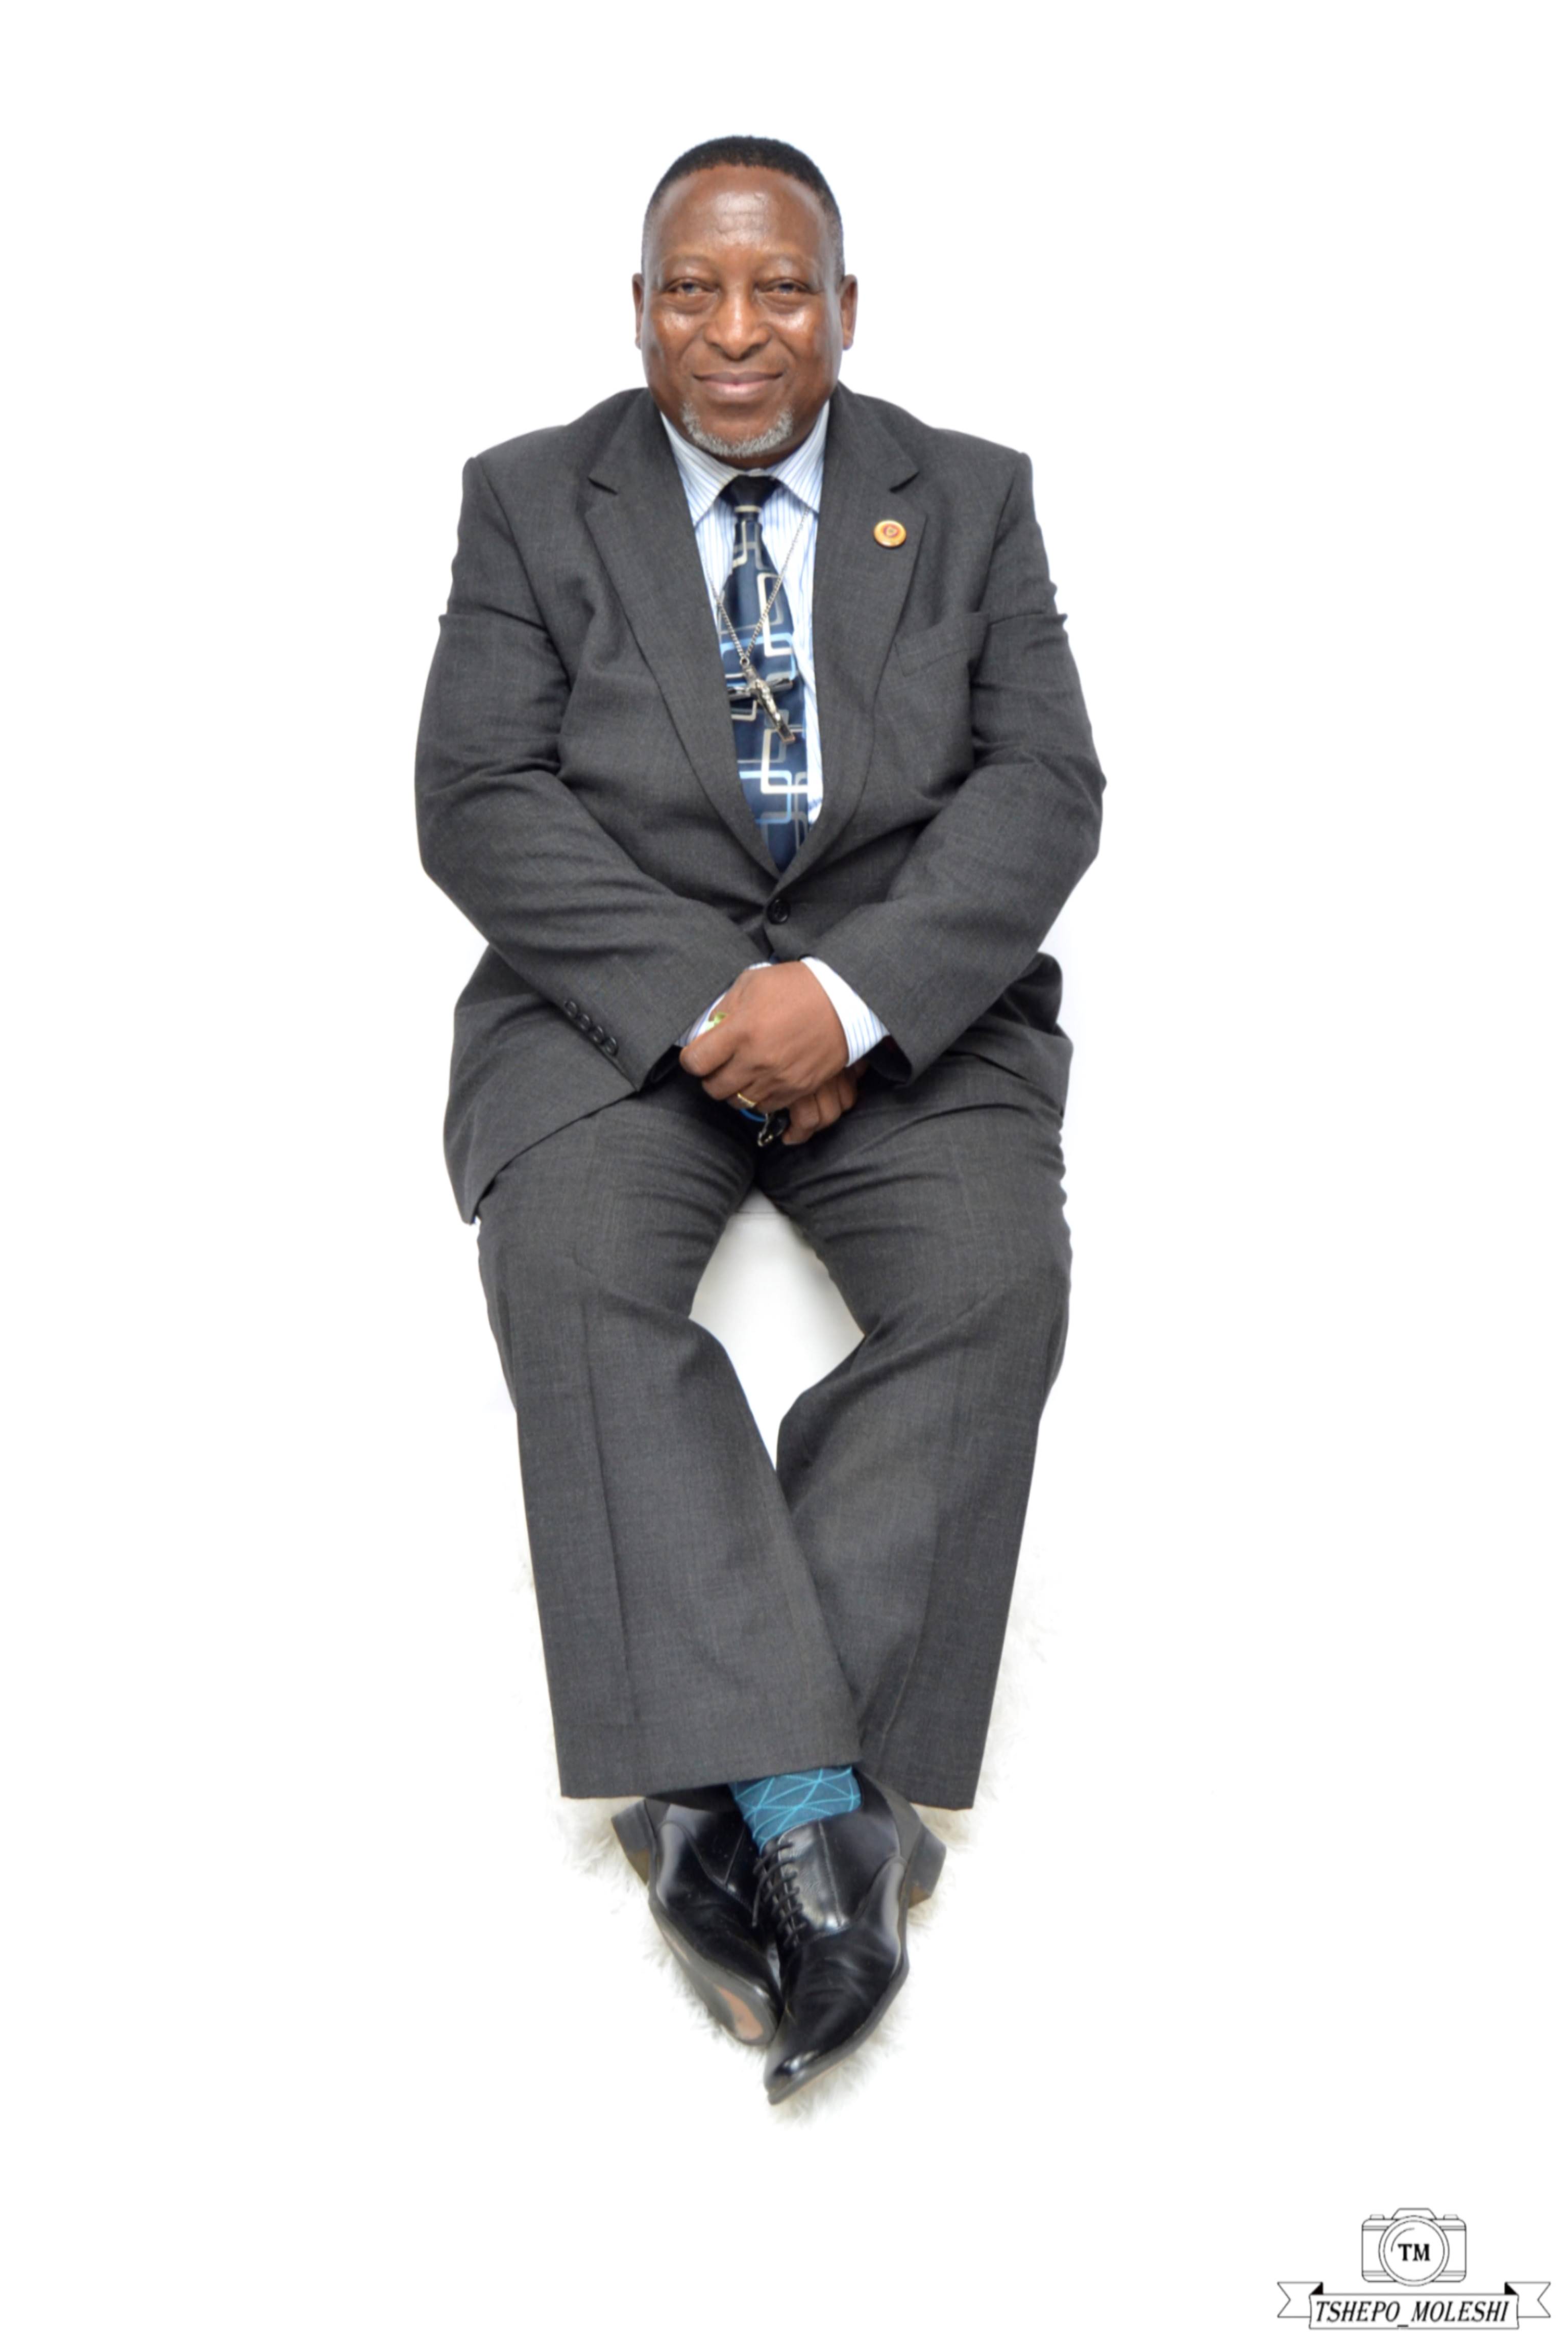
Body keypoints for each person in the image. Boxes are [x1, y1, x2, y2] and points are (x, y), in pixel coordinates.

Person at [414, 135, 1106, 2102]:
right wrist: (717, 1005)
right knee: (568, 1271)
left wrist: (850, 998)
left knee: (996, 1284)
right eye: (694, 290)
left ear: (845, 309)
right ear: (639, 310)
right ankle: (815, 1805)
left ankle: (714, 1791)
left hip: (908, 1018)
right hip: (615, 1012)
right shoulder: (529, 498)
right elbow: (476, 796)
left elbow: (1044, 787)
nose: (737, 330)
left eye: (780, 288)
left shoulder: (968, 497)